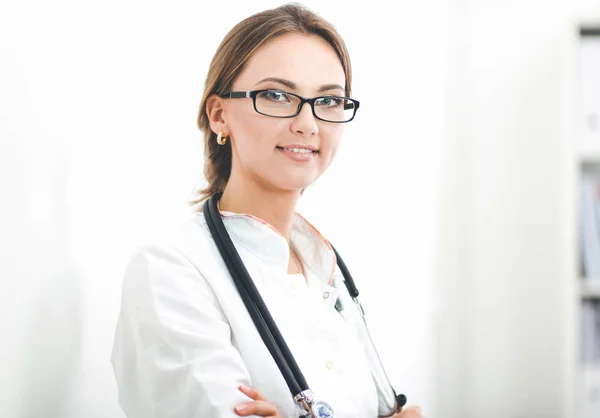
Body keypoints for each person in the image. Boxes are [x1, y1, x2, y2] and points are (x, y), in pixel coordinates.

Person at [111, 3, 424, 418]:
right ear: (219, 115)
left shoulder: (323, 264)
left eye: (328, 100)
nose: (307, 123)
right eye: (276, 95)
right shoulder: (170, 269)